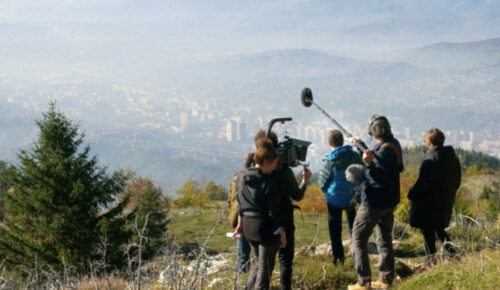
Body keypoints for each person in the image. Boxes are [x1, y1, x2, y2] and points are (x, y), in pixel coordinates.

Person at [244, 130, 311, 290]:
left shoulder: (250, 171)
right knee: (284, 261)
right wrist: (305, 181)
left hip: (256, 224)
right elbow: (297, 195)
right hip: (281, 221)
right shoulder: (282, 172)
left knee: (258, 264)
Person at [348, 114, 404, 290]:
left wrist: (368, 165)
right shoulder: (393, 144)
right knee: (384, 239)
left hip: (373, 202)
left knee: (358, 238)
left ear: (373, 130)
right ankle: (386, 279)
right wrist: (360, 146)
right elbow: (379, 160)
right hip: (389, 201)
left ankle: (363, 282)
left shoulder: (385, 150)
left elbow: (376, 176)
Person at [233, 138, 287, 290]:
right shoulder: (268, 182)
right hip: (265, 228)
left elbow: (240, 203)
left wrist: (240, 224)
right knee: (265, 269)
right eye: (274, 164)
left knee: (257, 264)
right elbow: (274, 211)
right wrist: (282, 232)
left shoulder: (241, 177)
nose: (274, 167)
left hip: (249, 228)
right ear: (267, 162)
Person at [408, 128, 461, 268]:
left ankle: (430, 263)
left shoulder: (430, 160)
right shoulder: (453, 158)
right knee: (439, 229)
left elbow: (422, 183)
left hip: (428, 204)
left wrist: (411, 193)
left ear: (430, 144)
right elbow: (457, 181)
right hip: (444, 201)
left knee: (428, 233)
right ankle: (453, 255)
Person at [319, 129, 363, 265]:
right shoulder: (354, 155)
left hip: (334, 200)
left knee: (335, 230)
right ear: (342, 141)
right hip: (352, 198)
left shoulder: (330, 160)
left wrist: (328, 192)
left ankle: (339, 259)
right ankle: (357, 255)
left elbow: (322, 182)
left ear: (329, 142)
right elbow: (362, 172)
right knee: (354, 228)